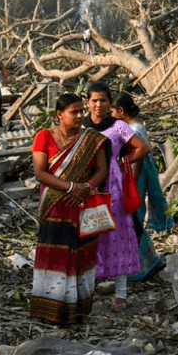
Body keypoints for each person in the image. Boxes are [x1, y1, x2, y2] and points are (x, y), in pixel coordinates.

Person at [30, 93, 109, 325]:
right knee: (53, 256)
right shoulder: (44, 137)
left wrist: (86, 187)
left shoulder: (91, 139)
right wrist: (71, 187)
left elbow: (101, 170)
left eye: (80, 111)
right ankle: (48, 310)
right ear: (59, 115)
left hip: (82, 207)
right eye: (73, 112)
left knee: (80, 256)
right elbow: (40, 172)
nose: (78, 115)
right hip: (54, 207)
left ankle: (78, 311)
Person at [83, 83, 152, 310]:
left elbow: (142, 148)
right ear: (87, 102)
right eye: (94, 100)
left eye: (103, 100)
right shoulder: (80, 125)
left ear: (109, 104)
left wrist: (121, 163)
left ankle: (121, 295)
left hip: (112, 186)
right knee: (88, 235)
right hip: (85, 185)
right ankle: (86, 292)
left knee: (117, 236)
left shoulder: (119, 126)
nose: (99, 104)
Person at [111, 92, 174, 282]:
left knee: (132, 223)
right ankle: (142, 263)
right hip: (136, 182)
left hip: (134, 183)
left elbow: (137, 161)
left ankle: (145, 264)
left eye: (112, 112)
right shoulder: (137, 127)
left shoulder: (134, 131)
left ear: (121, 111)